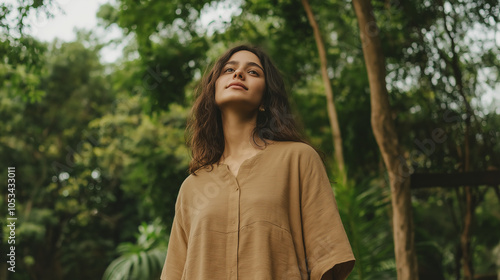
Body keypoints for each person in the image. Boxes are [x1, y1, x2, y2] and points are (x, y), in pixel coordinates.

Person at [160, 45, 355, 280]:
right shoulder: (192, 187)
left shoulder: (298, 159)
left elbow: (327, 262)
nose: (238, 74)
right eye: (229, 69)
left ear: (264, 100)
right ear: (213, 92)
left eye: (253, 72)